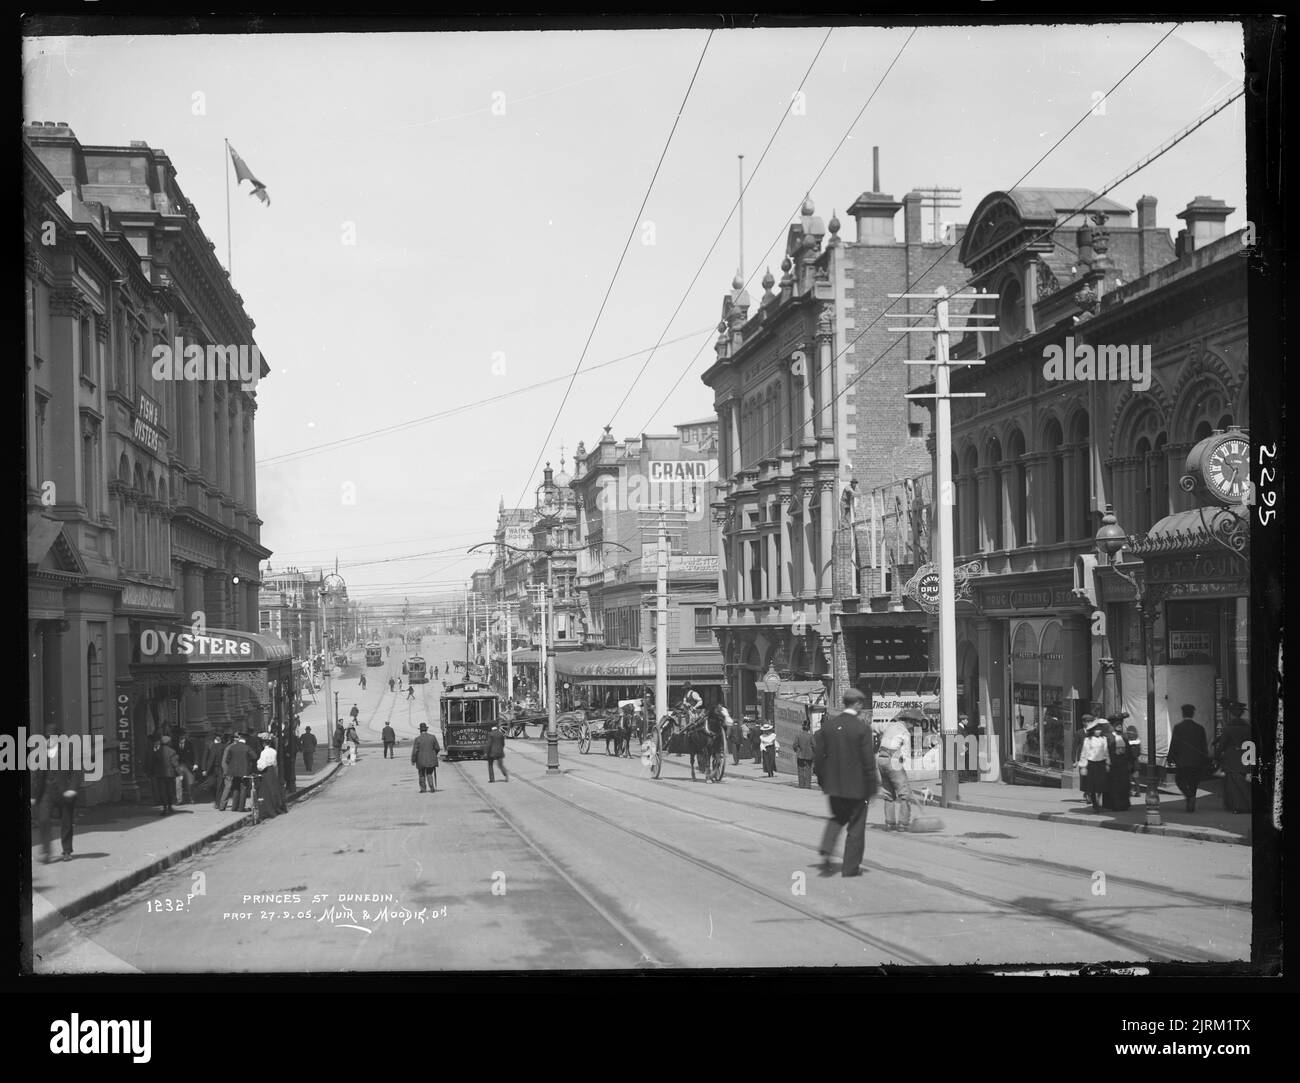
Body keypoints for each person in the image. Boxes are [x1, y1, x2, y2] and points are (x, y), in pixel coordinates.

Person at [813, 688, 878, 877]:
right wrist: (872, 788)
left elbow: (819, 758)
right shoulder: (862, 729)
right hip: (858, 789)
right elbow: (868, 761)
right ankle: (850, 868)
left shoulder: (829, 727)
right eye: (861, 704)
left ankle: (826, 848)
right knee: (856, 828)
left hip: (834, 787)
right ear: (856, 704)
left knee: (837, 818)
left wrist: (823, 781)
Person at [32, 722, 82, 864]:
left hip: (64, 792)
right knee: (43, 820)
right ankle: (46, 852)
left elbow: (76, 772)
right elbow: (36, 776)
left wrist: (72, 788)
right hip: (46, 792)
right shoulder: (40, 753)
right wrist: (34, 796)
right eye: (47, 737)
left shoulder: (68, 751)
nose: (50, 740)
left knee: (66, 821)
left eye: (53, 737)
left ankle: (66, 851)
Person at [872, 710, 914, 831]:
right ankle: (903, 823)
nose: (913, 726)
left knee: (888, 794)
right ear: (908, 722)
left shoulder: (889, 725)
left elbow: (875, 727)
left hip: (880, 760)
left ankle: (889, 823)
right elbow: (905, 754)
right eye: (913, 723)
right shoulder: (905, 732)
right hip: (892, 761)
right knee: (905, 794)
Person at [1167, 704, 1210, 812]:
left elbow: (1174, 744)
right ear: (1193, 714)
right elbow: (1203, 746)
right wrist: (1205, 760)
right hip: (1196, 761)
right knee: (1193, 782)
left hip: (1182, 762)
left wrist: (1170, 758)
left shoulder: (1178, 728)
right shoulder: (1200, 728)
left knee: (1179, 780)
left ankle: (1189, 796)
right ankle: (1191, 803)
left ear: (1183, 714)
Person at [1217, 701, 1252, 813]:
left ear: (1231, 714)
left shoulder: (1228, 727)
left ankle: (1237, 807)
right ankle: (1248, 805)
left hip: (1231, 759)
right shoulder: (1248, 727)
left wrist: (1217, 756)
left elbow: (1222, 745)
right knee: (1245, 784)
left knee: (1233, 785)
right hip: (1246, 757)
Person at [1077, 717, 1110, 811]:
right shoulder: (1088, 740)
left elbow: (1106, 752)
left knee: (1101, 785)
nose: (1098, 731)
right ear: (1093, 731)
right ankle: (1095, 803)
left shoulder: (1103, 739)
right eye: (1096, 730)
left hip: (1101, 764)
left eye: (1100, 729)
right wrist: (1083, 766)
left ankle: (1099, 800)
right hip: (1091, 764)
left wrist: (1107, 763)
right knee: (1092, 785)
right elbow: (1084, 753)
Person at [1103, 713, 1132, 811]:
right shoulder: (1108, 737)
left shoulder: (1124, 736)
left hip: (1123, 764)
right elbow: (1105, 751)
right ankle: (1114, 805)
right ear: (1113, 726)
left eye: (1121, 724)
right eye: (1117, 724)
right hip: (1113, 764)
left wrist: (1130, 762)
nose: (1119, 726)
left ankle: (1124, 804)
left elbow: (1129, 751)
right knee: (1114, 785)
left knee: (1124, 785)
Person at [256, 735, 289, 819]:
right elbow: (275, 763)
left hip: (266, 771)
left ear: (263, 744)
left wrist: (258, 766)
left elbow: (261, 765)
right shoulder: (274, 751)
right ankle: (277, 807)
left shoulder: (263, 752)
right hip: (272, 771)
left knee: (265, 791)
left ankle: (268, 810)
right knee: (274, 788)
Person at [220, 734, 254, 812]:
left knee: (235, 788)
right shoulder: (247, 747)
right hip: (244, 771)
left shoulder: (232, 747)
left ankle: (234, 807)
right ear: (245, 740)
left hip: (234, 772)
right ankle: (241, 807)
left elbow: (227, 760)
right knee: (243, 788)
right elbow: (254, 756)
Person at [151, 734, 181, 815]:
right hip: (170, 774)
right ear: (168, 743)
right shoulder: (172, 751)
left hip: (160, 774)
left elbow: (154, 762)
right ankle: (170, 807)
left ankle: (165, 808)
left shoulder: (157, 751)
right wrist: (179, 773)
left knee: (162, 791)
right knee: (170, 790)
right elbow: (175, 763)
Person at [411, 723, 440, 792]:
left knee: (421, 774)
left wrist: (413, 760)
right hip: (431, 760)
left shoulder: (417, 739)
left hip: (420, 760)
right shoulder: (432, 737)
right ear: (426, 729)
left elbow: (415, 751)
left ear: (420, 730)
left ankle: (423, 789)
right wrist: (434, 754)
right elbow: (437, 748)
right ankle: (432, 787)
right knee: (429, 773)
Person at [203, 733, 226, 808]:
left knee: (218, 786)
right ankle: (216, 801)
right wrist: (204, 769)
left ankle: (217, 802)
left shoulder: (222, 746)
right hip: (213, 769)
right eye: (218, 737)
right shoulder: (211, 746)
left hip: (217, 768)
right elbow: (205, 757)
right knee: (215, 785)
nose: (219, 738)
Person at [175, 734, 198, 805]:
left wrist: (196, 763)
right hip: (178, 766)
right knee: (178, 784)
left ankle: (192, 798)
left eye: (183, 738)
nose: (182, 739)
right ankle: (179, 800)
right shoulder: (175, 744)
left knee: (190, 783)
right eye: (181, 738)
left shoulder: (190, 744)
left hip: (188, 766)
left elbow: (195, 753)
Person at [792, 719, 816, 788]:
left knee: (800, 770)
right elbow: (815, 746)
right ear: (809, 727)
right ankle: (808, 785)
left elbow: (794, 745)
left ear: (802, 727)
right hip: (809, 755)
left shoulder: (798, 735)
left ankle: (801, 784)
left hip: (800, 755)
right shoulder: (811, 736)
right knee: (808, 770)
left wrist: (797, 751)